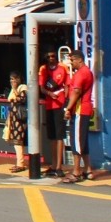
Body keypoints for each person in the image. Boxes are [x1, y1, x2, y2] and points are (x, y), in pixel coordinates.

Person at [63, 48, 96, 183]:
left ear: (79, 59)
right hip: (85, 110)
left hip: (79, 111)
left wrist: (68, 108)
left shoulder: (81, 74)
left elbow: (76, 92)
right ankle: (88, 170)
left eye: (72, 60)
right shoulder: (87, 72)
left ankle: (76, 172)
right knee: (83, 141)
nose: (71, 63)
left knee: (77, 142)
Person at [38, 49, 69, 177]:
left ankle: (59, 166)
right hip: (49, 105)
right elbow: (41, 87)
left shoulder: (63, 67)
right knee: (51, 136)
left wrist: (66, 102)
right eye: (48, 56)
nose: (51, 58)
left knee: (59, 136)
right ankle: (53, 164)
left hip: (60, 104)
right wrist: (49, 93)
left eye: (53, 56)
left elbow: (67, 85)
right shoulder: (43, 69)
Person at [3, 71, 30, 172]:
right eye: (11, 79)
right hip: (13, 117)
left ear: (19, 79)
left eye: (14, 79)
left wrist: (14, 90)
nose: (12, 81)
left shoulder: (23, 87)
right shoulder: (13, 89)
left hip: (20, 118)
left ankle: (21, 164)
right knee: (15, 141)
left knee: (18, 140)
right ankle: (19, 162)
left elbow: (22, 99)